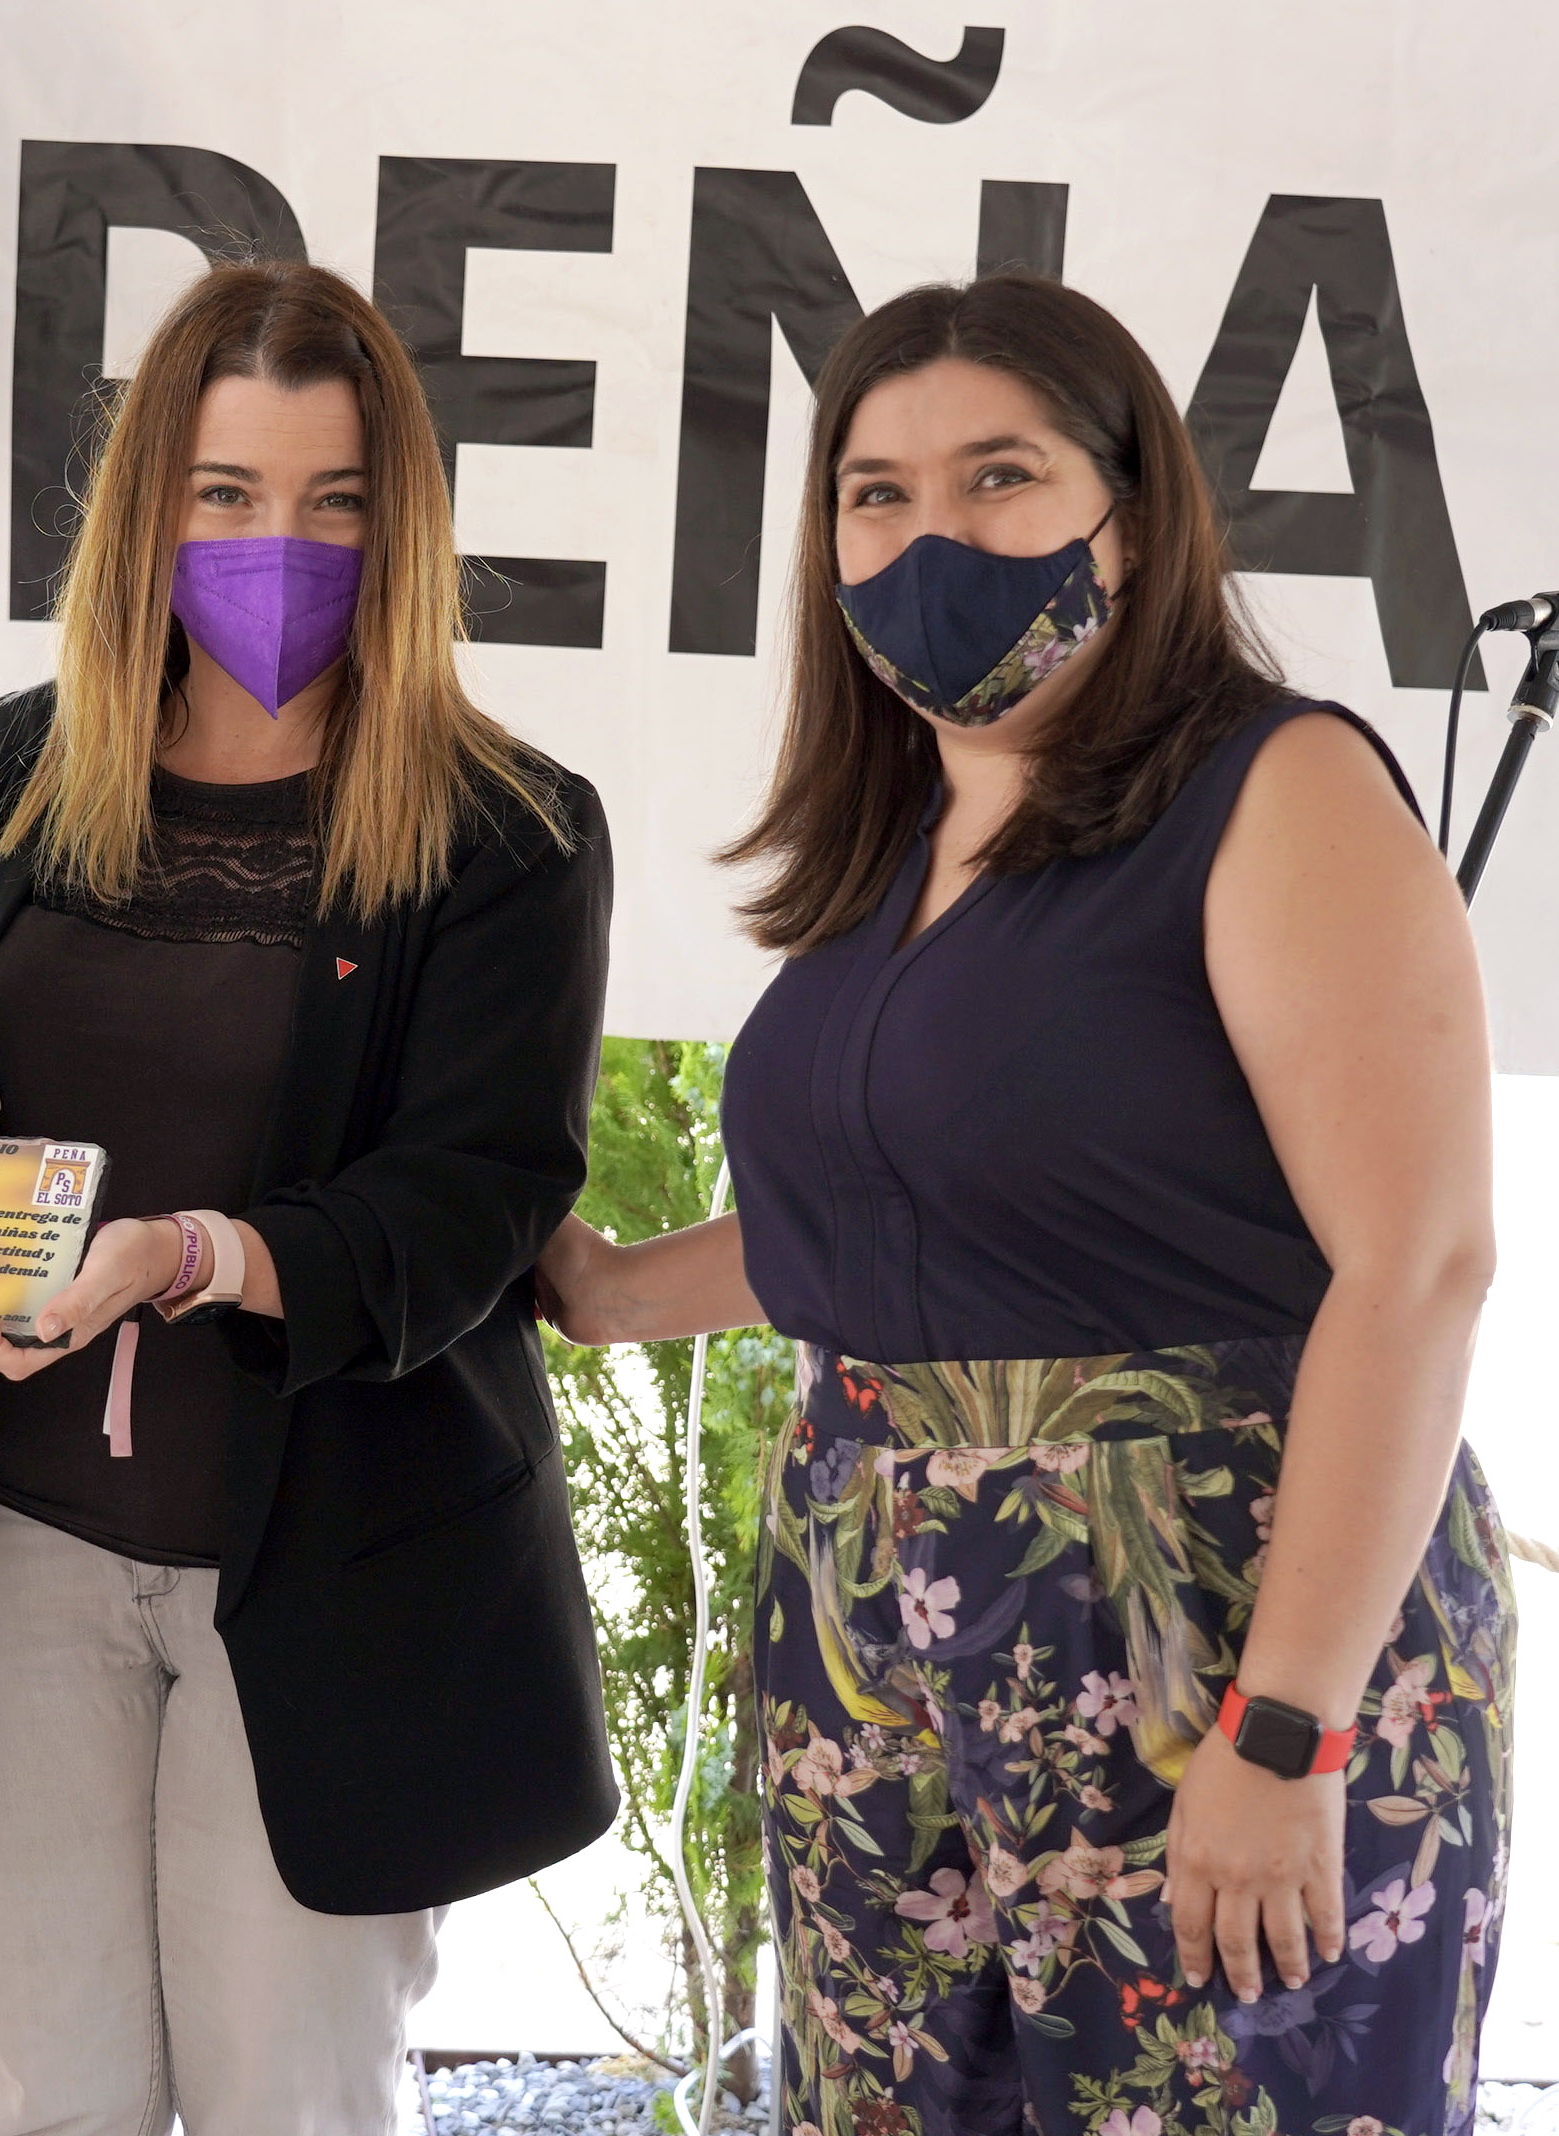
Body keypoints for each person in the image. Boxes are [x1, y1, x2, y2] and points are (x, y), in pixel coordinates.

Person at [537, 273, 1514, 2135]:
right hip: (872, 1661)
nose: (936, 539)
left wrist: (1289, 1723)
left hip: (1209, 1640)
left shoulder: (1278, 788)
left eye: (1001, 476)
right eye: (879, 493)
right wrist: (606, 1290)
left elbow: (1419, 1268)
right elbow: (907, 1227)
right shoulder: (894, 844)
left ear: (1129, 518)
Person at [0, 259, 618, 2134]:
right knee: (41, 2097)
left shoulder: (509, 831)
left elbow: (474, 1199)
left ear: (406, 528)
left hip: (333, 1568)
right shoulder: (25, 762)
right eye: (225, 493)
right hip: (14, 1544)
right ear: (150, 503)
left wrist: (200, 1255)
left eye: (333, 502)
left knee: (287, 2096)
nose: (275, 545)